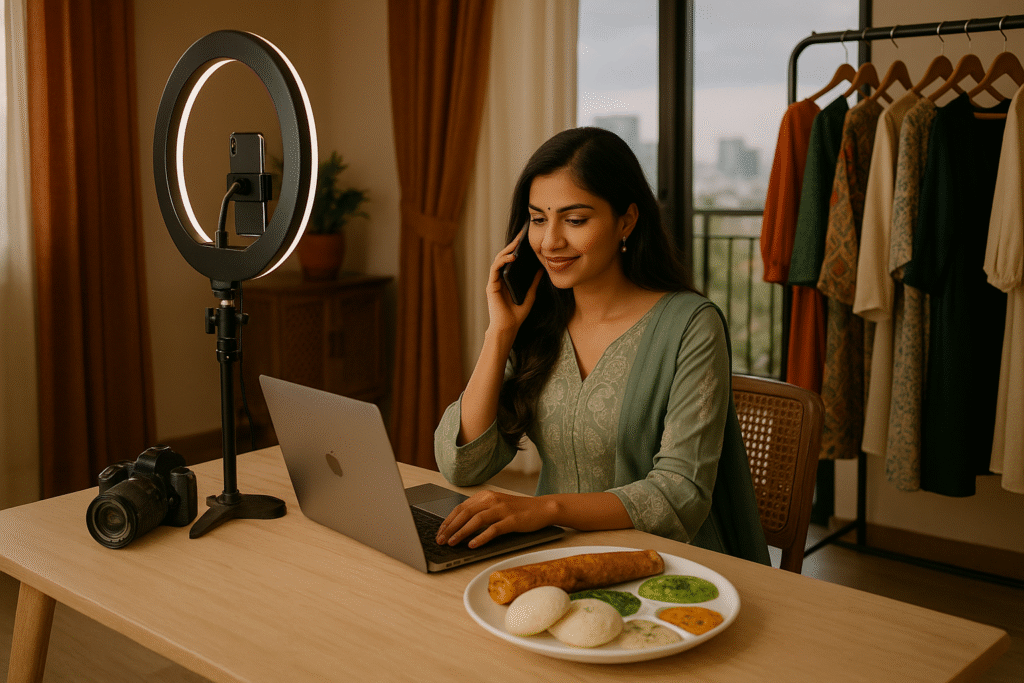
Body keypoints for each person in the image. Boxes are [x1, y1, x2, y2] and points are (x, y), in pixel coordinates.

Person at [433, 127, 770, 565]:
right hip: (557, 560)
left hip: (670, 568)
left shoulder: (691, 325)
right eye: (538, 218)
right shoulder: (538, 324)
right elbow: (462, 466)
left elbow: (680, 492)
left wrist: (545, 508)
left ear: (626, 220)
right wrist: (499, 334)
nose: (550, 241)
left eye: (575, 220)